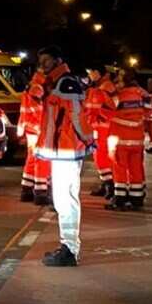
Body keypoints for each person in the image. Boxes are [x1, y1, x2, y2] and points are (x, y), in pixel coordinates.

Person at [34, 46, 91, 267]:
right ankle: (67, 246)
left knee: (66, 200)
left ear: (58, 60)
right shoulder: (55, 83)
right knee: (62, 200)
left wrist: (88, 141)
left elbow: (77, 116)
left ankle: (70, 249)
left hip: (67, 150)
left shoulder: (65, 83)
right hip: (61, 151)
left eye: (47, 61)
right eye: (41, 62)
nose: (43, 65)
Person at [109, 70, 149, 210]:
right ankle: (136, 199)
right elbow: (149, 110)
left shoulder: (118, 96)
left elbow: (107, 111)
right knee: (136, 168)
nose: (117, 82)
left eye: (119, 79)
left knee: (120, 168)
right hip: (137, 140)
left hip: (121, 140)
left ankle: (120, 199)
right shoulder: (142, 93)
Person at [18, 68, 51, 205]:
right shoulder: (38, 89)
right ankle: (40, 192)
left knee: (32, 159)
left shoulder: (31, 87)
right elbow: (40, 112)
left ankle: (26, 189)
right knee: (42, 160)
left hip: (31, 131)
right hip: (39, 131)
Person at [84, 67, 118, 199]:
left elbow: (113, 106)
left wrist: (101, 117)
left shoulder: (106, 87)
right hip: (97, 127)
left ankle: (110, 185)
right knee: (100, 156)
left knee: (103, 157)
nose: (90, 75)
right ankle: (106, 183)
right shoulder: (96, 87)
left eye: (92, 72)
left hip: (104, 128)